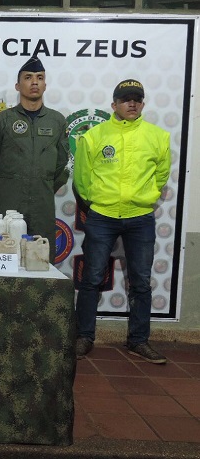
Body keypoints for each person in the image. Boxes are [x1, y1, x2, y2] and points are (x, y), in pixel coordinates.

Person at [73, 79, 170, 364]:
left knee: (141, 281)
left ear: (143, 104)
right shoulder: (94, 136)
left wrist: (144, 197)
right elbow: (82, 179)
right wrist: (97, 202)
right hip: (102, 216)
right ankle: (83, 337)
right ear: (113, 104)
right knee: (91, 278)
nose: (132, 103)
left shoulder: (158, 137)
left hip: (140, 218)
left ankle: (138, 340)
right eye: (126, 99)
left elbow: (161, 175)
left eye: (137, 99)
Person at [0, 56, 69, 263]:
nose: (34, 82)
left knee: (40, 261)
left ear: (45, 85)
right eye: (28, 77)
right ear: (17, 85)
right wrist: (7, 188)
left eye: (40, 78)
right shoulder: (2, 120)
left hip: (42, 205)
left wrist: (43, 185)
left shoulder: (57, 121)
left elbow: (62, 165)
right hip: (9, 203)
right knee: (5, 257)